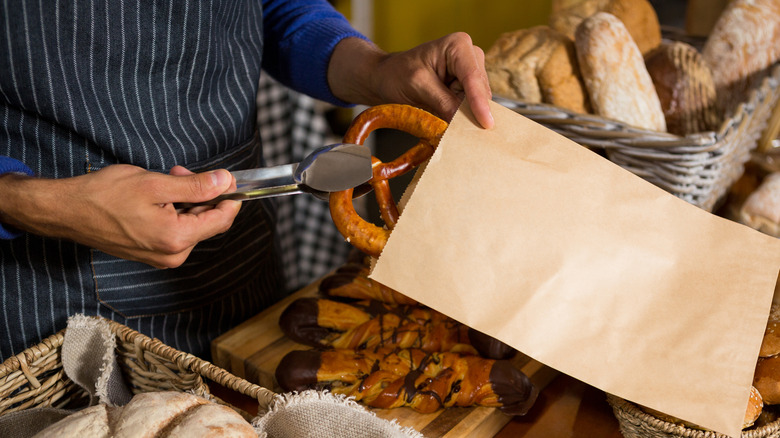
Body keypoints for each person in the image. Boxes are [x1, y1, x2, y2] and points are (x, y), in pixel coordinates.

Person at [0, 0, 493, 361]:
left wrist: (376, 69)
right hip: (57, 307)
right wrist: (36, 203)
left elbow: (274, 7)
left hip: (244, 270)